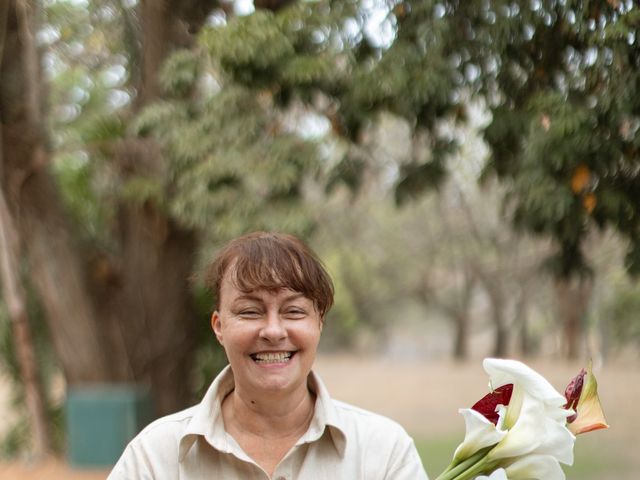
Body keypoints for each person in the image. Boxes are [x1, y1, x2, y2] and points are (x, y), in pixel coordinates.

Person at [108, 231, 429, 479]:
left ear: (320, 323)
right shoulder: (155, 457)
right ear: (219, 327)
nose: (273, 331)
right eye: (250, 312)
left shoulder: (382, 451)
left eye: (293, 311)